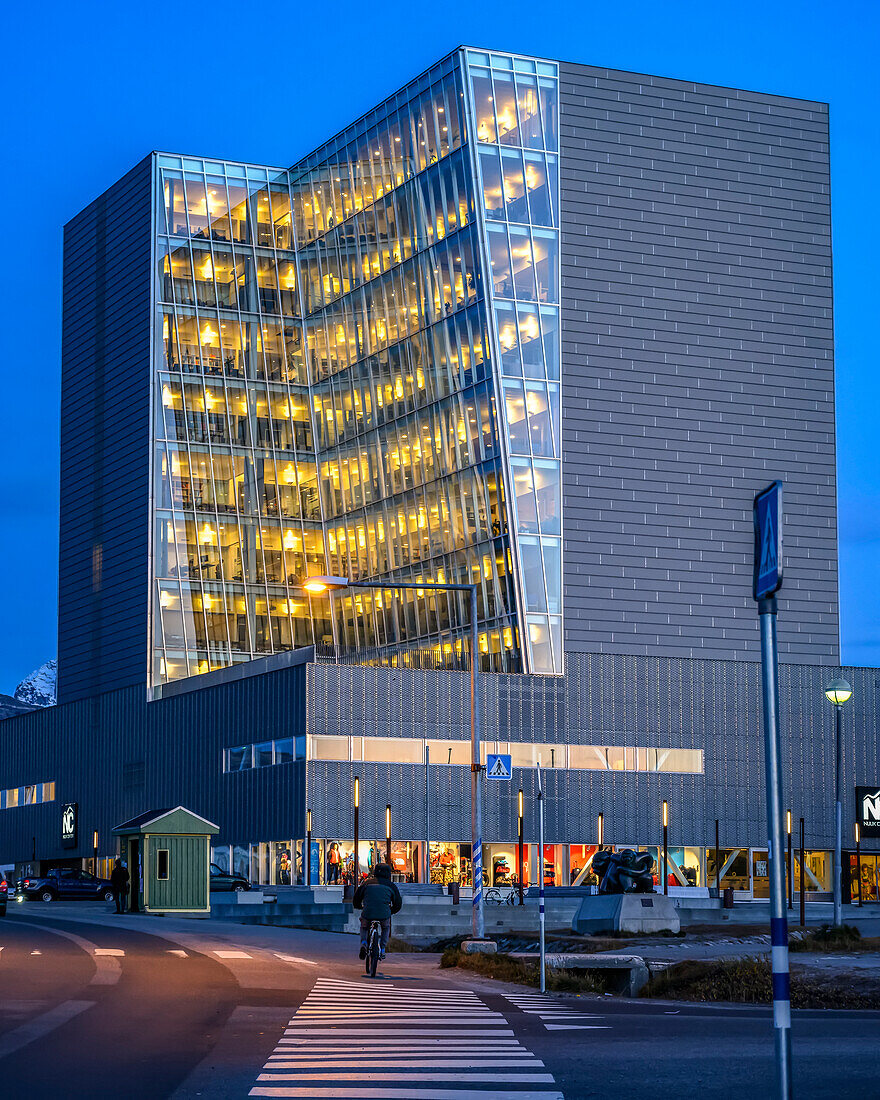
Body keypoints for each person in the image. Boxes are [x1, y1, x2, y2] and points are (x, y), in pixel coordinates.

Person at [352, 862, 402, 962]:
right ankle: (382, 949)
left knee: (364, 926)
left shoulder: (366, 883)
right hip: (384, 913)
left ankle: (364, 943)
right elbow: (398, 904)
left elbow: (356, 898)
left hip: (368, 912)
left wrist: (359, 906)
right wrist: (390, 911)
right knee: (385, 927)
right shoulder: (391, 886)